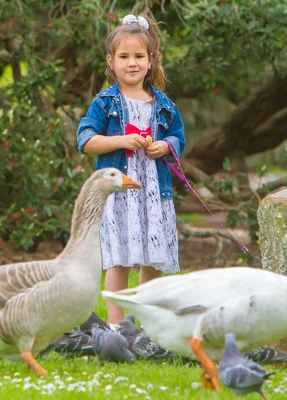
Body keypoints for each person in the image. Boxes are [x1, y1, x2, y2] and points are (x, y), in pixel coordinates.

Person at [76, 14, 186, 328]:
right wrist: (121, 140)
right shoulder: (105, 102)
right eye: (124, 57)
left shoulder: (163, 104)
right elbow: (86, 140)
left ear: (151, 61)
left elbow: (178, 137)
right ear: (111, 62)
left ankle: (149, 324)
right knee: (119, 257)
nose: (132, 63)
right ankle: (116, 326)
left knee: (153, 257)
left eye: (139, 56)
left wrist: (164, 147)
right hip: (120, 195)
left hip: (154, 193)